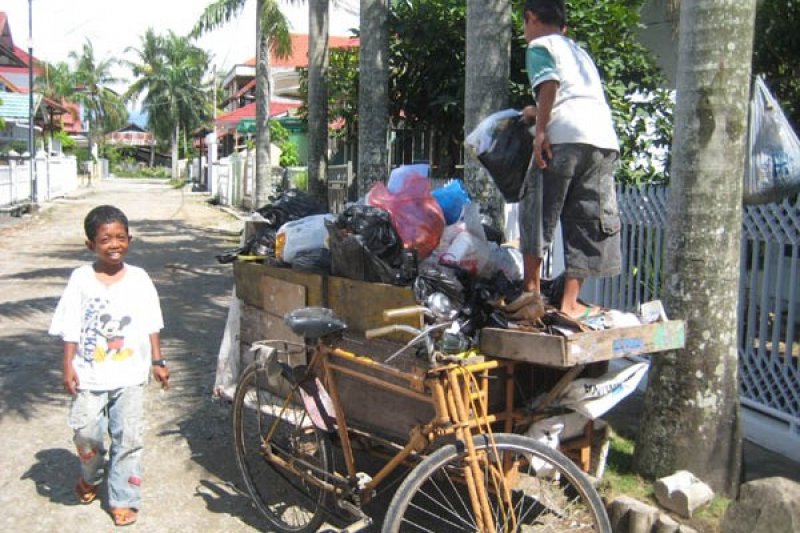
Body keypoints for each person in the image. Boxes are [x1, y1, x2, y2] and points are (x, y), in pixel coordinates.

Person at [49, 205, 169, 527]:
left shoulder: (140, 279)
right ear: (91, 245)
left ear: (129, 239)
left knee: (128, 438)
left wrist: (157, 361)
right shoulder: (81, 280)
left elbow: (151, 322)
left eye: (120, 237)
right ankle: (91, 474)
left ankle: (123, 498)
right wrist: (68, 366)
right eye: (105, 239)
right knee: (87, 434)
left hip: (130, 375)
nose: (114, 244)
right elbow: (70, 325)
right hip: (89, 374)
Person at [515, 0, 622, 320]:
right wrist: (534, 113)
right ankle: (570, 303)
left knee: (538, 210)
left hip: (563, 141)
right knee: (587, 219)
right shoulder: (578, 52)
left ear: (531, 18)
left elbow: (549, 85)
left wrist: (540, 132)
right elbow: (571, 97)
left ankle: (531, 294)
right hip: (601, 141)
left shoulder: (539, 46)